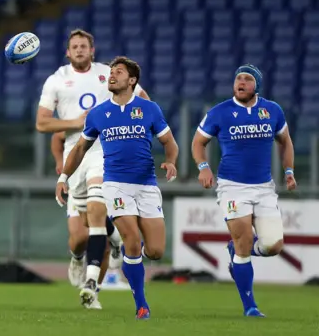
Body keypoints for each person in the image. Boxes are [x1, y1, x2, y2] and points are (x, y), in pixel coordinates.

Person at [56, 56, 178, 319]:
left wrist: (170, 162)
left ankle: (125, 253)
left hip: (146, 185)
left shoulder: (150, 109)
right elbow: (80, 148)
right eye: (111, 72)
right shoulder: (99, 113)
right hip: (114, 185)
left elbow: (170, 142)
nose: (112, 75)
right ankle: (141, 305)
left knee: (155, 251)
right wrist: (64, 176)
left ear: (132, 80)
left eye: (119, 72)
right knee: (132, 241)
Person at [36, 29, 150, 292]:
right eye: (74, 46)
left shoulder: (107, 74)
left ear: (92, 50)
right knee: (79, 236)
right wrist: (75, 122)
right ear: (67, 52)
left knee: (97, 214)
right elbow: (42, 123)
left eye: (83, 46)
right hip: (75, 156)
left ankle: (92, 289)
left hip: (105, 152)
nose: (79, 50)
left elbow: (143, 100)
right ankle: (83, 255)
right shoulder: (56, 80)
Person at [191, 64, 296, 318]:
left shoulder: (272, 111)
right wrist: (204, 167)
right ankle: (250, 306)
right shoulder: (220, 112)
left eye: (247, 79)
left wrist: (289, 171)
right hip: (232, 186)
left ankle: (239, 251)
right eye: (238, 78)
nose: (241, 82)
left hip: (264, 187)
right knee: (243, 242)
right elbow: (198, 142)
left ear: (256, 85)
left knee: (274, 246)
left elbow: (285, 141)